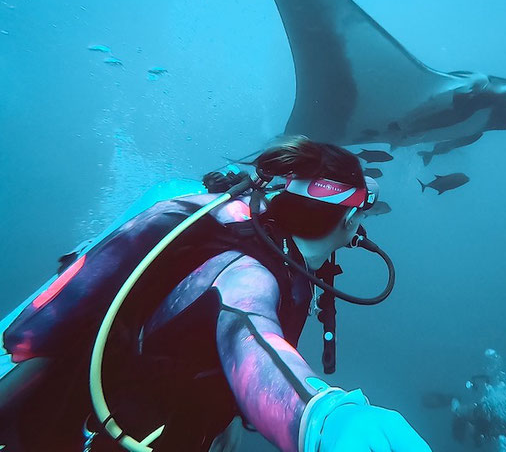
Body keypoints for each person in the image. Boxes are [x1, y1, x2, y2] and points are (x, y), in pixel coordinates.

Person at [0, 136, 431, 452]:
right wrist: (322, 419)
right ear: (349, 218)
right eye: (363, 207)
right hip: (108, 431)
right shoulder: (248, 270)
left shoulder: (267, 245)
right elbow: (247, 335)